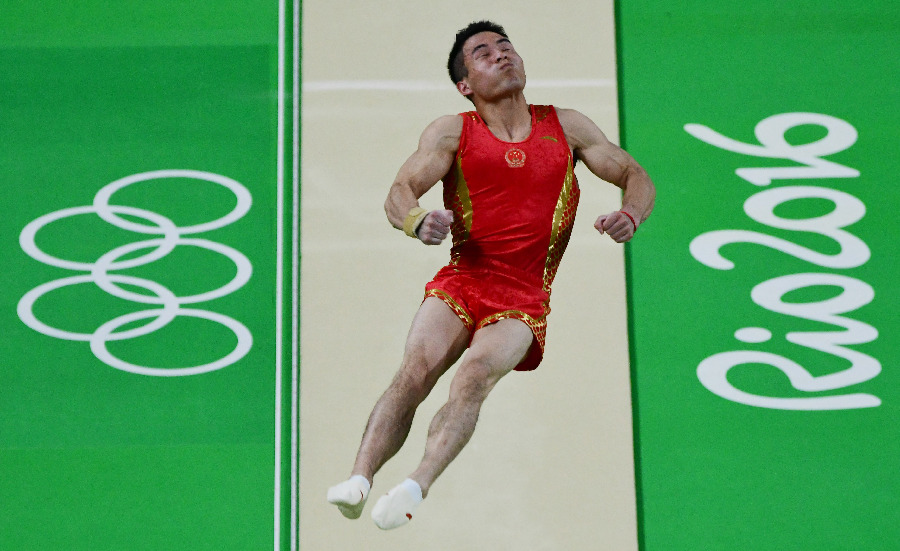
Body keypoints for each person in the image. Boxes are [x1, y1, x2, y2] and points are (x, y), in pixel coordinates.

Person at [327, 20, 655, 530]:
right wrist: (417, 221)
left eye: (506, 46)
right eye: (483, 53)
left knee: (474, 377)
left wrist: (631, 214)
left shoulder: (567, 127)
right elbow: (400, 191)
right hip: (464, 277)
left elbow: (634, 174)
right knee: (415, 372)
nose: (501, 55)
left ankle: (416, 484)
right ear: (464, 84)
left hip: (523, 297)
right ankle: (359, 480)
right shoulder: (452, 132)